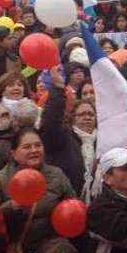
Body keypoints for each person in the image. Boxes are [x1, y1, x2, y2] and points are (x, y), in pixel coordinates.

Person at [0, 127, 75, 253]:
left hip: (50, 251)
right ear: (14, 154)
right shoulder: (1, 178)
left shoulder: (56, 174)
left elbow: (72, 202)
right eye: (27, 147)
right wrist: (10, 206)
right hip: (14, 250)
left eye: (38, 145)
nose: (34, 151)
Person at [40, 66, 94, 198]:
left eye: (91, 114)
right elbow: (50, 123)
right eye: (81, 114)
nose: (87, 117)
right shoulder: (63, 138)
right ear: (72, 118)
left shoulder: (103, 139)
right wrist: (58, 87)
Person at [0, 72, 35, 144]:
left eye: (20, 85)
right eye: (11, 85)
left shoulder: (38, 111)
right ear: (2, 90)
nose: (16, 88)